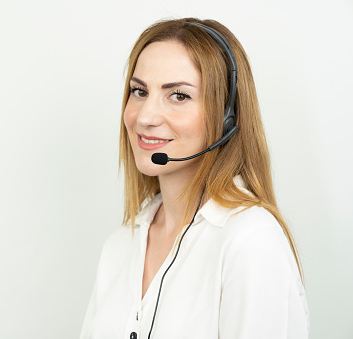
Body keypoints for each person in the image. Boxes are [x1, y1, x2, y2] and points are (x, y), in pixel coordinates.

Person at [80, 18, 309, 339]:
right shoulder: (122, 243)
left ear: (227, 118)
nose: (145, 116)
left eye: (178, 96)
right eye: (139, 91)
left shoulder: (249, 240)